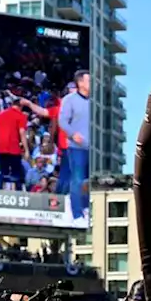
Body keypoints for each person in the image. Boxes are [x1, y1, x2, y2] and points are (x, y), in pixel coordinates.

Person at [58, 70, 91, 220]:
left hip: (93, 148)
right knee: (77, 178)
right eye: (89, 81)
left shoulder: (96, 101)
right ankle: (77, 214)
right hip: (76, 147)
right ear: (80, 83)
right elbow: (62, 121)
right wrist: (73, 134)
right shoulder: (69, 100)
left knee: (89, 180)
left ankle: (86, 208)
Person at [0, 99, 28, 189]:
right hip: (14, 148)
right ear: (21, 106)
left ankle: (1, 193)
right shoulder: (21, 116)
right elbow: (22, 133)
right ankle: (17, 195)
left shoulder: (0, 114)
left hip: (1, 148)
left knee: (4, 173)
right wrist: (26, 150)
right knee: (16, 174)